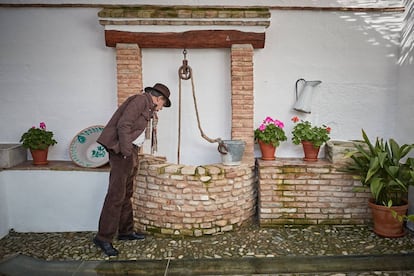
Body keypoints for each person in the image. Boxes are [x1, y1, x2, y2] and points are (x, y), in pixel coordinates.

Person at [93, 83, 171, 256]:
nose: (161, 108)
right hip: (123, 152)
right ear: (158, 98)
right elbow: (124, 125)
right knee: (116, 195)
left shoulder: (147, 106)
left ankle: (125, 232)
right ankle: (103, 238)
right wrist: (127, 153)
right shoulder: (140, 100)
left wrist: (132, 152)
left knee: (126, 193)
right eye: (162, 104)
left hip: (130, 151)